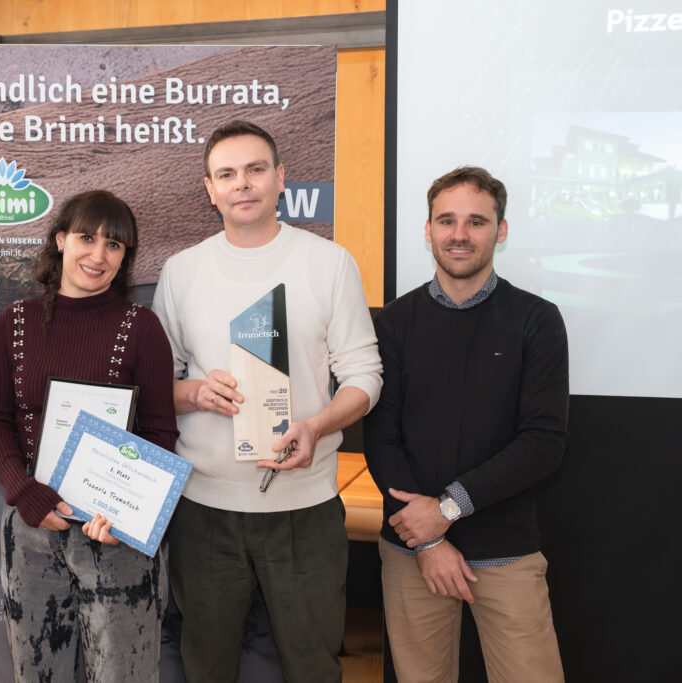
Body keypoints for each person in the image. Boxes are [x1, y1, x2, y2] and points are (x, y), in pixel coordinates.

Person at [151, 120, 383, 682]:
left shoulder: (329, 262)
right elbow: (156, 387)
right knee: (206, 667)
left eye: (255, 169)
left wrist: (318, 426)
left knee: (312, 666)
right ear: (210, 189)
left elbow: (364, 376)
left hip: (305, 510)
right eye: (227, 174)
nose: (243, 183)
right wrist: (195, 393)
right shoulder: (181, 271)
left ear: (280, 178)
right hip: (203, 511)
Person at [364, 166, 569, 683]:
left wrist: (447, 510)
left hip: (506, 550)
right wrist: (428, 540)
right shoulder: (394, 322)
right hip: (413, 550)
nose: (460, 234)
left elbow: (543, 442)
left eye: (476, 222)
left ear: (501, 230)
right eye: (447, 220)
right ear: (427, 229)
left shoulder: (537, 320)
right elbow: (382, 439)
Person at [0, 190, 178, 682]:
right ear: (61, 240)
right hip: (32, 528)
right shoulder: (14, 323)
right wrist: (25, 493)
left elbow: (159, 432)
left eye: (114, 245)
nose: (98, 255)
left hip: (115, 537)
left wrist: (126, 512)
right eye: (87, 238)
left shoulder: (142, 328)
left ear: (125, 257)